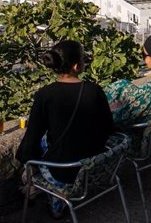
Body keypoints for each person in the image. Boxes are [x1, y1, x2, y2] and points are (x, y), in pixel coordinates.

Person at [16, 40, 113, 218]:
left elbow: (32, 136)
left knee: (36, 149)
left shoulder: (45, 95)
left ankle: (41, 190)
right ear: (77, 66)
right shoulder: (94, 91)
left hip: (61, 170)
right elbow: (108, 127)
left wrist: (27, 163)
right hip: (94, 165)